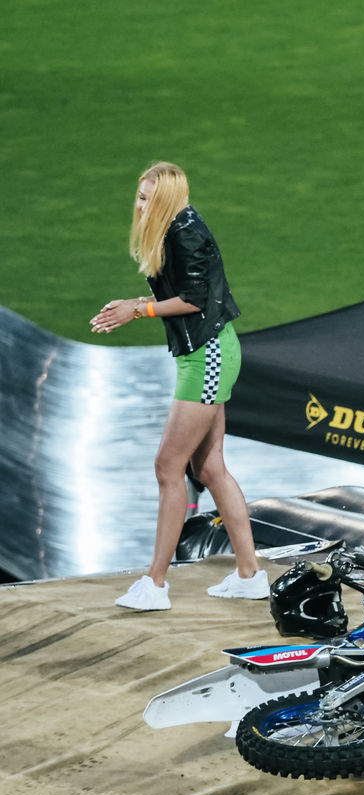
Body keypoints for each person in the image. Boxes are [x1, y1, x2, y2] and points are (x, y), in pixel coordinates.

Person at [90, 162, 267, 610]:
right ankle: (250, 575)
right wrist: (135, 303)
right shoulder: (176, 226)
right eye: (139, 195)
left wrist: (138, 310)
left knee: (169, 467)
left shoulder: (184, 233)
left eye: (148, 198)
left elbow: (194, 299)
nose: (139, 205)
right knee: (210, 468)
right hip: (206, 352)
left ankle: (155, 584)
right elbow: (184, 291)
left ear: (167, 200)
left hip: (208, 357)